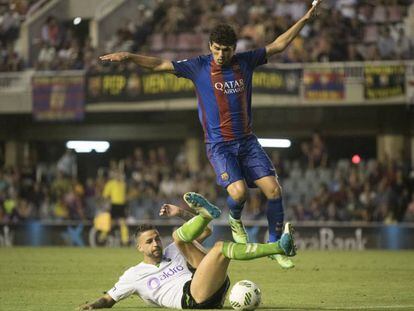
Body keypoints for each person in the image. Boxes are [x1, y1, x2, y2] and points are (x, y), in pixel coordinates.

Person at [100, 0, 322, 269]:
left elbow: (278, 45)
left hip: (247, 142)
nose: (220, 54)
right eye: (216, 49)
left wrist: (305, 19)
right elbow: (160, 64)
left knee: (274, 190)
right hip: (220, 146)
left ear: (234, 49)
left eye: (226, 50)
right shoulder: (198, 66)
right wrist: (130, 56)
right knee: (238, 193)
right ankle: (235, 219)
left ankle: (276, 246)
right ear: (210, 47)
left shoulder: (246, 61)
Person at [78, 192, 296, 310]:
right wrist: (91, 306)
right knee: (214, 247)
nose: (155, 243)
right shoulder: (133, 275)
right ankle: (277, 247)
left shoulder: (173, 250)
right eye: (149, 242)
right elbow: (108, 299)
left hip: (211, 288)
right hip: (191, 300)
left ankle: (277, 246)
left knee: (186, 240)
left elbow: (206, 232)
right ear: (140, 247)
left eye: (156, 239)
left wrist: (180, 213)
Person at [102, 169, 129, 246]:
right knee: (111, 223)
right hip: (114, 205)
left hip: (121, 205)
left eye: (120, 175)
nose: (119, 176)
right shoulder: (110, 184)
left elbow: (125, 196)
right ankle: (102, 236)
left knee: (123, 223)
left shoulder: (123, 184)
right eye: (117, 174)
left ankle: (125, 240)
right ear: (114, 175)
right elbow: (105, 195)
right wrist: (106, 205)